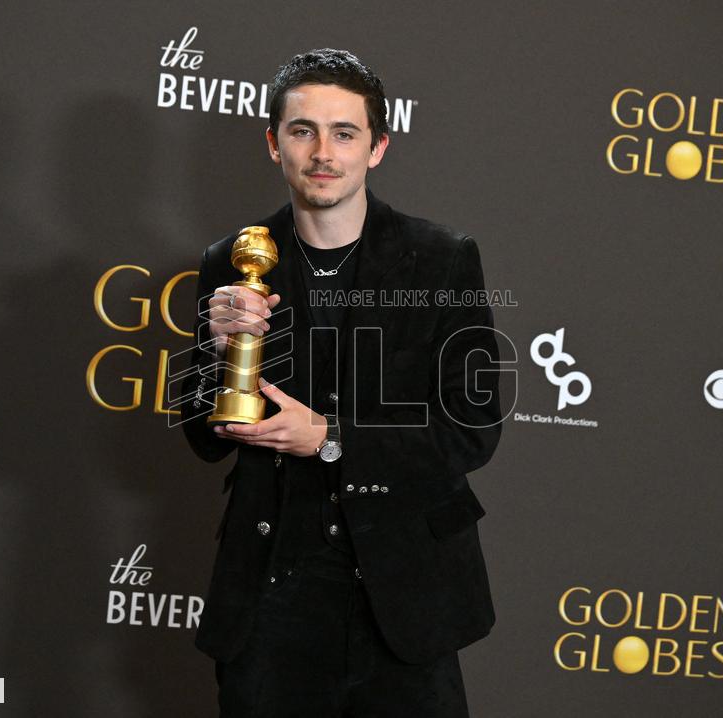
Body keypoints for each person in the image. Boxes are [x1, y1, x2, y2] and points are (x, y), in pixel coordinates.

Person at [179, 48, 504, 718]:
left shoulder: (442, 260)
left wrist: (327, 436)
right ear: (274, 143)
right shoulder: (233, 261)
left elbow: (471, 432)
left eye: (344, 132)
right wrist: (216, 353)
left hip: (404, 598)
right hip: (272, 597)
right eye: (303, 131)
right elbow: (204, 436)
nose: (323, 151)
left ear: (377, 147)